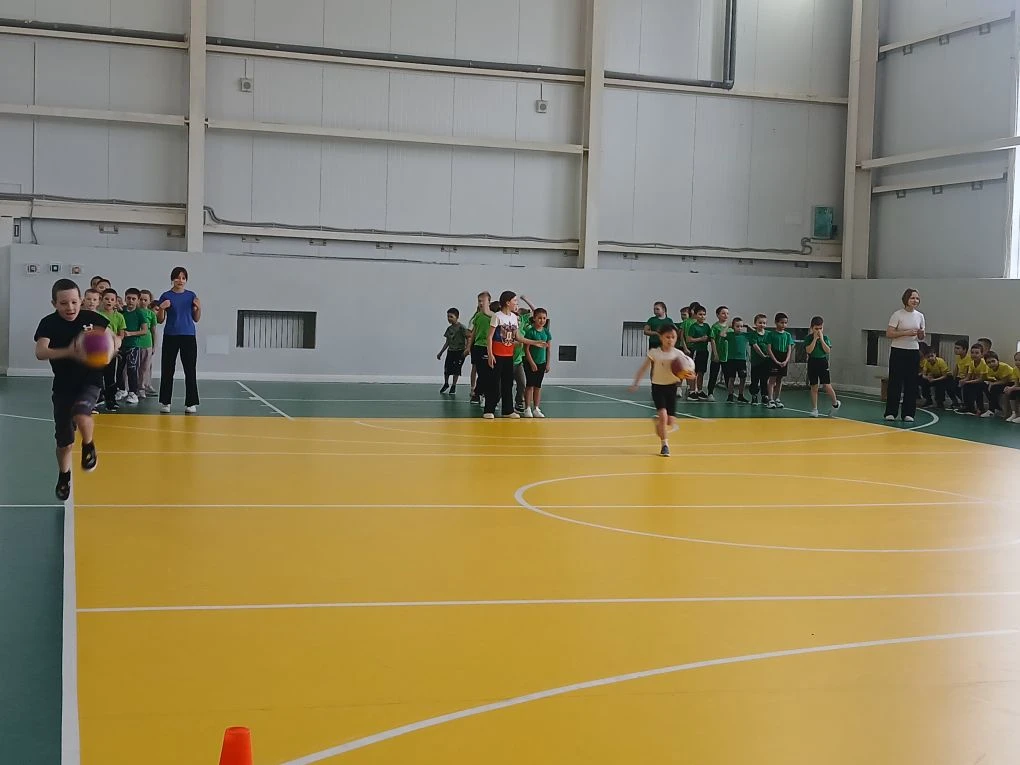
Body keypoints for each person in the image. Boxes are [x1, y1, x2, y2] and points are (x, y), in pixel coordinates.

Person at [34, 279, 116, 500]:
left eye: (73, 302)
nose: (70, 307)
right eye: (63, 303)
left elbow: (113, 339)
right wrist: (70, 351)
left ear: (81, 300)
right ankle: (64, 475)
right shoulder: (48, 324)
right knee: (65, 443)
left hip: (90, 380)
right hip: (63, 386)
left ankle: (88, 445)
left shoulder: (93, 319)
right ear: (54, 303)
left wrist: (111, 348)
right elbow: (41, 352)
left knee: (82, 413)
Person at [629, 324, 688, 457]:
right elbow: (643, 368)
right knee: (663, 415)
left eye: (673, 337)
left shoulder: (679, 354)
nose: (670, 340)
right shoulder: (654, 353)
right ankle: (665, 445)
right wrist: (636, 383)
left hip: (672, 388)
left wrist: (689, 375)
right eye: (667, 337)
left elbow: (687, 370)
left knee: (670, 421)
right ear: (661, 337)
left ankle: (658, 422)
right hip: (658, 388)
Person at [156, 266, 201, 414]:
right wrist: (162, 308)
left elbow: (196, 319)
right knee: (167, 369)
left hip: (188, 336)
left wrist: (199, 308)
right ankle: (165, 402)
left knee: (190, 370)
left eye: (183, 278)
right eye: (177, 277)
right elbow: (160, 320)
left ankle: (191, 403)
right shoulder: (166, 295)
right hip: (171, 335)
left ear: (186, 280)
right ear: (172, 279)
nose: (180, 280)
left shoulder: (191, 296)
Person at [884, 288, 925, 423]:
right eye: (912, 298)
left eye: (917, 298)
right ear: (906, 299)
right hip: (898, 351)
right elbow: (889, 333)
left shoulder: (920, 316)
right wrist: (906, 333)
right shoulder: (897, 314)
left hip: (913, 351)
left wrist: (921, 334)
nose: (915, 300)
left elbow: (921, 337)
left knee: (911, 383)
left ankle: (908, 413)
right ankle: (891, 412)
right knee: (895, 382)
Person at [803, 316, 842, 417]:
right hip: (812, 362)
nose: (818, 331)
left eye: (820, 328)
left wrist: (821, 340)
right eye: (816, 329)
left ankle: (835, 403)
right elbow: (809, 350)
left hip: (822, 362)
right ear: (812, 328)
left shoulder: (825, 338)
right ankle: (814, 409)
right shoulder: (808, 338)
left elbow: (827, 350)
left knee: (826, 385)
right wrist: (814, 339)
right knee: (814, 386)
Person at [119, 288, 149, 404]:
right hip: (121, 345)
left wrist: (130, 333)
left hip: (133, 345)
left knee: (132, 369)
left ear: (137, 300)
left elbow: (144, 330)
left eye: (133, 299)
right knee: (119, 369)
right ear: (125, 298)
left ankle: (133, 393)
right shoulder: (122, 311)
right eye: (128, 298)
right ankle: (122, 390)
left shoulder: (139, 313)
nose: (131, 301)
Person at [98, 288, 126, 411]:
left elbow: (121, 334)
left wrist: (115, 345)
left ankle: (111, 400)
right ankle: (97, 398)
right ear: (101, 300)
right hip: (98, 351)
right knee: (97, 376)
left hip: (112, 351)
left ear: (116, 302)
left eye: (112, 299)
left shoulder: (119, 316)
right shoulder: (97, 315)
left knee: (110, 376)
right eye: (106, 299)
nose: (109, 301)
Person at [523, 308, 552, 419]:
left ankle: (536, 408)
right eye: (539, 318)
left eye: (544, 318)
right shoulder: (530, 332)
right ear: (534, 318)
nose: (542, 320)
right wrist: (531, 363)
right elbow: (526, 349)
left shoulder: (546, 332)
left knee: (538, 386)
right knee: (530, 385)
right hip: (530, 363)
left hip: (542, 363)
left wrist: (547, 363)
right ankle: (527, 408)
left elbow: (548, 349)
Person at [466, 292, 494, 404]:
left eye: (483, 301)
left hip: (488, 347)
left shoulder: (493, 316)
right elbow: (474, 332)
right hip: (477, 347)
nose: (481, 303)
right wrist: (469, 346)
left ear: (489, 302)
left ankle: (482, 394)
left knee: (487, 373)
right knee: (480, 372)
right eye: (479, 301)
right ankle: (478, 394)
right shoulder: (477, 316)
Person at [512, 295, 537, 412]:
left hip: (518, 360)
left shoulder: (521, 320)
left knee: (522, 383)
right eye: (515, 304)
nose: (516, 306)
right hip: (507, 359)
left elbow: (535, 312)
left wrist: (526, 300)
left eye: (518, 304)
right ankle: (494, 400)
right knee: (503, 385)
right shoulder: (506, 320)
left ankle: (519, 402)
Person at [765, 312, 793, 410]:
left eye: (785, 323)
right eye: (781, 322)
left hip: (783, 357)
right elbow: (769, 349)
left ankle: (777, 399)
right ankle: (770, 399)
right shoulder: (771, 334)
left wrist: (786, 360)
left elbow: (789, 349)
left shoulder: (788, 335)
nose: (783, 325)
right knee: (772, 379)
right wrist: (775, 361)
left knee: (779, 379)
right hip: (774, 356)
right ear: (776, 323)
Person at [437, 308, 467, 394]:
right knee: (447, 368)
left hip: (460, 351)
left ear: (457, 317)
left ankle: (454, 385)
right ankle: (446, 383)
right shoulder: (449, 329)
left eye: (451, 317)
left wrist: (467, 349)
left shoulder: (462, 328)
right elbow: (447, 342)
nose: (449, 318)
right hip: (451, 351)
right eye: (448, 317)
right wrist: (441, 352)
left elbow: (468, 338)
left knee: (456, 369)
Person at [685, 306, 711, 399]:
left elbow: (709, 338)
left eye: (704, 314)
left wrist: (707, 339)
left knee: (701, 371)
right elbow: (689, 339)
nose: (702, 316)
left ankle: (699, 390)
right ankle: (692, 391)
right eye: (700, 314)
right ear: (695, 315)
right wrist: (700, 339)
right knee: (694, 371)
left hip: (704, 351)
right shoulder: (693, 326)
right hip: (696, 351)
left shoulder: (707, 326)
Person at [958, 344, 990, 416]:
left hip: (988, 381)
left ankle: (980, 408)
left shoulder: (983, 363)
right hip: (978, 381)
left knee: (978, 386)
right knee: (966, 386)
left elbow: (981, 379)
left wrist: (967, 381)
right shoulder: (972, 363)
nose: (974, 355)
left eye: (977, 353)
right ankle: (969, 407)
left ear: (981, 354)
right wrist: (963, 381)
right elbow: (968, 376)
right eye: (972, 352)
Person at [723, 317, 750, 404]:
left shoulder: (745, 335)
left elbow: (756, 333)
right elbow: (722, 334)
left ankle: (741, 395)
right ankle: (730, 395)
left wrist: (748, 326)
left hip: (741, 360)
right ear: (733, 327)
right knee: (731, 378)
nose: (739, 328)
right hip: (731, 360)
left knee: (743, 378)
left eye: (741, 326)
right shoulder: (730, 335)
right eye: (737, 326)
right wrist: (728, 326)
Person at [137, 290, 158, 397]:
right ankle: (129, 388)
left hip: (147, 344)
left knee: (145, 367)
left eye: (145, 300)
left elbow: (153, 331)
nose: (143, 302)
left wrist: (154, 345)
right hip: (134, 344)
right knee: (132, 368)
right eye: (141, 299)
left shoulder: (151, 314)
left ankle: (142, 387)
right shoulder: (134, 312)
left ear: (149, 301)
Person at [982, 351, 1016, 419]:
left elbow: (1005, 380)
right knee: (986, 386)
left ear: (997, 360)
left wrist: (993, 383)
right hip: (1003, 382)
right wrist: (990, 382)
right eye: (988, 362)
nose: (991, 364)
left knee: (993, 387)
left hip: (1012, 382)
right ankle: (994, 408)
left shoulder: (1004, 367)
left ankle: (992, 410)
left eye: (993, 361)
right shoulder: (990, 369)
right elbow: (991, 377)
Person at [708, 306, 730, 397]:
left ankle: (730, 393)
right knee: (714, 375)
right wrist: (715, 354)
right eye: (723, 313)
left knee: (728, 375)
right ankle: (710, 393)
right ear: (718, 315)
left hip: (727, 356)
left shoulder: (730, 328)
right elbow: (713, 341)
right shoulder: (715, 327)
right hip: (717, 355)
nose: (726, 315)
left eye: (727, 313)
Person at [748, 313, 770, 405]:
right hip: (756, 362)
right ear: (755, 323)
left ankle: (765, 395)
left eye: (764, 323)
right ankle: (754, 395)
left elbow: (770, 345)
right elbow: (755, 346)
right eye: (760, 322)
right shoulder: (753, 335)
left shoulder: (769, 334)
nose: (762, 325)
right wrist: (763, 355)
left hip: (766, 362)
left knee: (764, 379)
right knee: (755, 380)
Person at [1004, 352, 1020, 423]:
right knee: (1012, 391)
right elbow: (1016, 384)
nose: (1017, 362)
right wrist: (1010, 388)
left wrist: (1013, 388)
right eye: (1016, 360)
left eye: (1019, 360)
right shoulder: (1015, 369)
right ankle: (1014, 413)